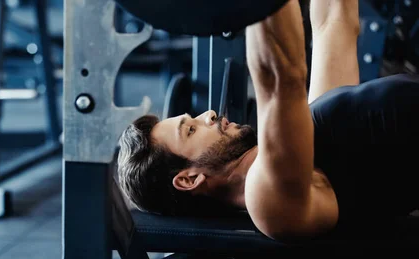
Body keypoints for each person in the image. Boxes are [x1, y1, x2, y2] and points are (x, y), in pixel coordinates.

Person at [116, 0, 419, 242]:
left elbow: (334, 23)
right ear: (189, 179)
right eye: (192, 129)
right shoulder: (266, 201)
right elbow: (279, 78)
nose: (208, 114)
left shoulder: (312, 136)